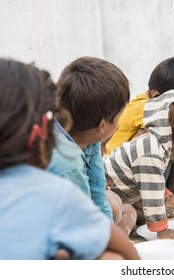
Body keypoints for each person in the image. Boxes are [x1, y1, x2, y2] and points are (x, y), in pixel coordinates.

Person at [0, 59, 139, 260]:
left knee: (118, 208)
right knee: (113, 253)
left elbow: (98, 193)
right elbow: (111, 240)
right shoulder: (64, 172)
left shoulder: (86, 140)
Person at [104, 90, 174, 239]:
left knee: (129, 212)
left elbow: (152, 180)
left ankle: (115, 239)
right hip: (101, 200)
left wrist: (167, 197)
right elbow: (151, 191)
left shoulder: (156, 144)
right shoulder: (152, 152)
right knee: (127, 212)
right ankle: (112, 242)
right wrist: (163, 231)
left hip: (114, 200)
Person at [47, 56, 137, 236]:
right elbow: (82, 226)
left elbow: (97, 192)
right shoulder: (66, 164)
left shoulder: (88, 135)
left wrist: (108, 236)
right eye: (120, 115)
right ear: (103, 125)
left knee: (118, 209)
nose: (120, 122)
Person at [105, 55, 174, 206]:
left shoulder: (157, 108)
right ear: (157, 97)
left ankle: (160, 194)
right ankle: (153, 200)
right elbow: (146, 159)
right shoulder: (146, 108)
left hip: (138, 172)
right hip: (121, 178)